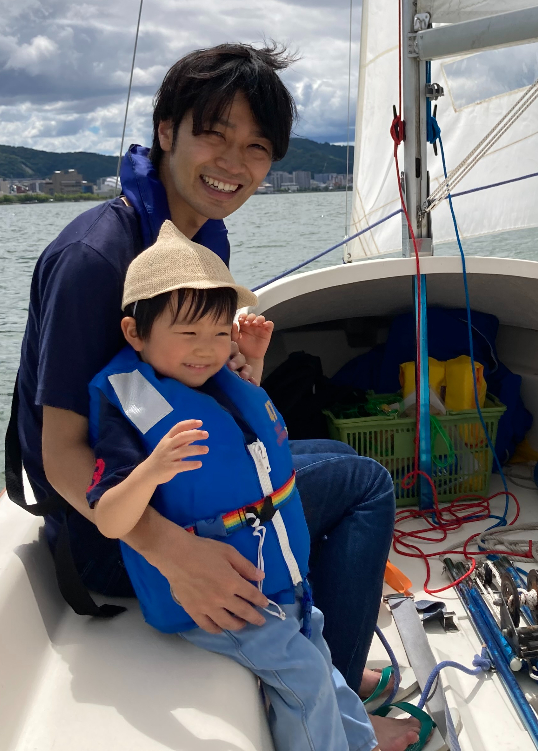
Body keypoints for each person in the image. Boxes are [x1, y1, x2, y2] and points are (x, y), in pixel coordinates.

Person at [10, 43, 416, 749]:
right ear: (166, 131)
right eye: (215, 135)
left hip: (177, 490)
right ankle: (338, 704)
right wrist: (172, 553)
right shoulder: (94, 260)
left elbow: (196, 387)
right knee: (365, 486)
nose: (234, 163)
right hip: (115, 533)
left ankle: (328, 679)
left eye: (257, 147)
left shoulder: (201, 239)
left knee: (329, 457)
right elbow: (60, 454)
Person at [88, 221, 378, 751]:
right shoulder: (128, 404)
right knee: (307, 681)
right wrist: (151, 470)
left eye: (220, 334)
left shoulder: (214, 378)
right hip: (220, 603)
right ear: (135, 333)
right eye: (188, 334)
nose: (206, 350)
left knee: (326, 672)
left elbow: (247, 443)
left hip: (274, 582)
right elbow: (109, 517)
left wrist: (254, 360)